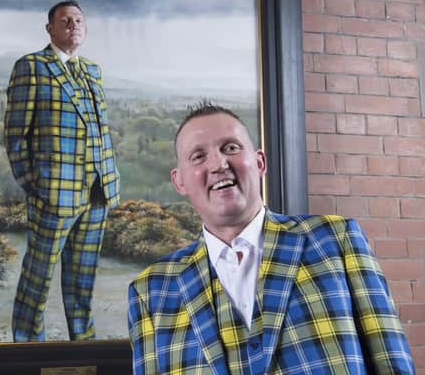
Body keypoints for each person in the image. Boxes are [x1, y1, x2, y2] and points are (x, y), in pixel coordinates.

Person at [127, 102, 414, 374]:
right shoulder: (151, 290)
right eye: (198, 156)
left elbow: (392, 364)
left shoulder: (337, 240)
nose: (218, 164)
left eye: (231, 147)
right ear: (179, 181)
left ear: (259, 162)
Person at [4, 0, 120, 342]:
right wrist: (34, 185)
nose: (74, 26)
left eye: (79, 20)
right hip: (53, 194)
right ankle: (26, 350)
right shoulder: (31, 67)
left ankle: (83, 347)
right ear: (50, 28)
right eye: (66, 20)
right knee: (36, 281)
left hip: (98, 193)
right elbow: (15, 135)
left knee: (82, 281)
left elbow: (99, 130)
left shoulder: (94, 70)